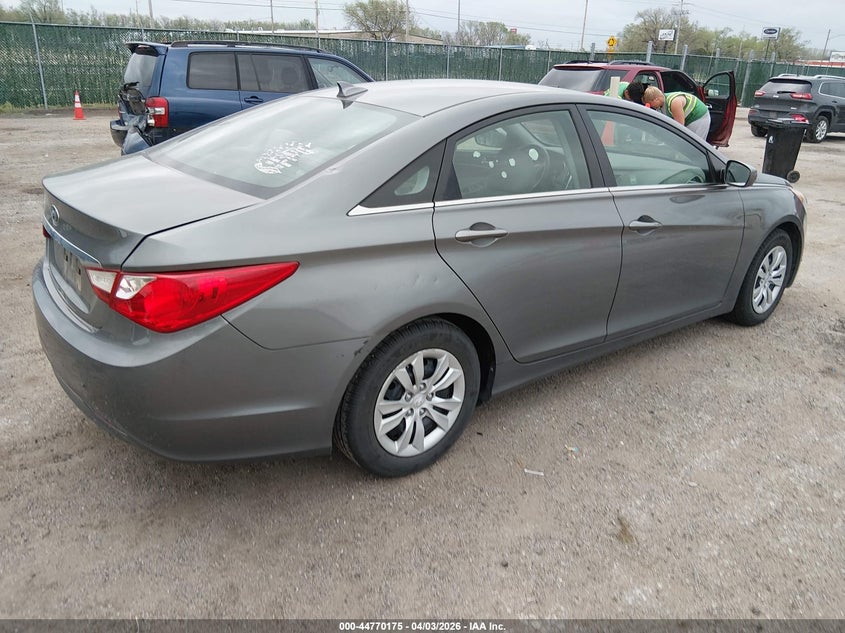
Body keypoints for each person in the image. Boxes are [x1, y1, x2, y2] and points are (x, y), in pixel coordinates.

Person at [642, 86, 711, 141]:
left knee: (694, 143)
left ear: (656, 99)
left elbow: (679, 127)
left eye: (650, 103)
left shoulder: (674, 103)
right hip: (689, 118)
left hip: (698, 117)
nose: (651, 106)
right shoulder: (662, 104)